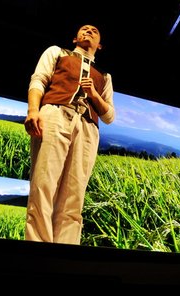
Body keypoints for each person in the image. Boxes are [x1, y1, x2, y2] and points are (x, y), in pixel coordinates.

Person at [23, 24, 115, 245]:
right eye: (84, 29)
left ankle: (65, 254)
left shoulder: (104, 76)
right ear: (75, 38)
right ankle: (37, 252)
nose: (89, 31)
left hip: (87, 127)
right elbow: (39, 80)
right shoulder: (57, 52)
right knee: (43, 186)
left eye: (94, 31)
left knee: (74, 196)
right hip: (55, 114)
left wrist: (94, 93)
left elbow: (109, 115)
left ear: (99, 45)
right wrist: (33, 110)